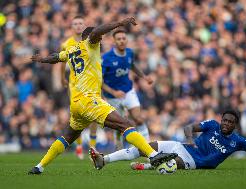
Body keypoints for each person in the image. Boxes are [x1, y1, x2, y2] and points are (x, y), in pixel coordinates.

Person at [28, 17, 177, 175]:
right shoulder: (89, 44)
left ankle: (39, 166)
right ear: (91, 36)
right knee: (125, 124)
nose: (100, 39)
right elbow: (97, 31)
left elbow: (56, 57)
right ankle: (153, 155)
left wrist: (42, 59)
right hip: (89, 100)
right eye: (98, 37)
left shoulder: (72, 50)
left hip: (76, 103)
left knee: (68, 136)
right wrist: (119, 23)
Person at [89, 110, 246, 170]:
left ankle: (146, 166)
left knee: (170, 163)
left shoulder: (237, 141)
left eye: (230, 122)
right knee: (143, 146)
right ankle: (103, 160)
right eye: (224, 120)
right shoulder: (212, 125)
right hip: (183, 146)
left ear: (235, 125)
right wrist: (190, 139)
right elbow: (188, 128)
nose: (226, 123)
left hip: (194, 161)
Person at [102, 28, 152, 148]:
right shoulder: (106, 58)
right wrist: (113, 92)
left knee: (138, 118)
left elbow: (133, 65)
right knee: (120, 124)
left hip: (128, 91)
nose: (122, 41)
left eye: (124, 38)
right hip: (112, 96)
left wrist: (144, 77)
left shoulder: (130, 53)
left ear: (127, 40)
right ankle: (118, 144)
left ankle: (148, 145)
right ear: (114, 41)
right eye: (119, 39)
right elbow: (99, 81)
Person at [60, 15, 98, 160]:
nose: (77, 25)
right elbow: (61, 63)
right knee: (77, 116)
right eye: (75, 23)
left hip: (91, 84)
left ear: (84, 25)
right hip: (74, 85)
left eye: (80, 23)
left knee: (95, 115)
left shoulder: (91, 42)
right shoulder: (66, 44)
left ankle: (92, 146)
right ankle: (79, 147)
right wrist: (62, 78)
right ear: (71, 26)